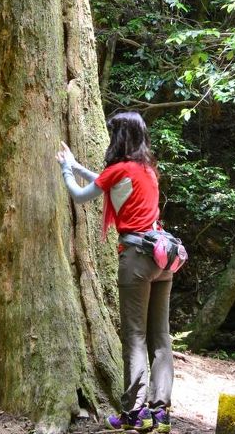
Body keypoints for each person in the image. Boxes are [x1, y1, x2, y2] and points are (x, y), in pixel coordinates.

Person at [56, 111, 173, 433]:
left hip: (136, 258)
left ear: (119, 137)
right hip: (162, 258)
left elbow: (82, 195)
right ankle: (160, 413)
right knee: (160, 338)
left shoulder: (119, 169)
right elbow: (110, 184)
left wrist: (66, 169)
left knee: (134, 336)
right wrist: (79, 166)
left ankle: (134, 414)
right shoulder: (147, 169)